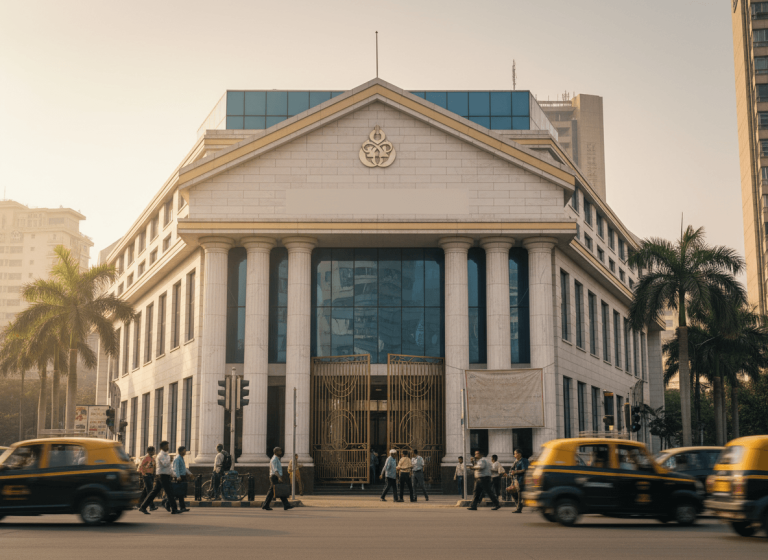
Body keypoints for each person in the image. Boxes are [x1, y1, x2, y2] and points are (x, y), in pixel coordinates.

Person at [139, 441, 179, 515]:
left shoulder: (166, 455)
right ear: (162, 447)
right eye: (166, 446)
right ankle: (174, 509)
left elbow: (169, 467)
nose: (168, 447)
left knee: (154, 492)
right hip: (162, 476)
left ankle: (143, 507)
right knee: (169, 492)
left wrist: (174, 475)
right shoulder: (161, 455)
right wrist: (170, 459)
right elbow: (165, 464)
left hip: (165, 475)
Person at [262, 447, 294, 511]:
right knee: (274, 491)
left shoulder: (277, 459)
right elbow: (275, 469)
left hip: (275, 476)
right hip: (274, 476)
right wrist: (279, 477)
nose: (281, 452)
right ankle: (266, 505)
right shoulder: (274, 459)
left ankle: (286, 505)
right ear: (276, 452)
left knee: (279, 490)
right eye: (280, 451)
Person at [507, 448, 529, 513]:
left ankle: (519, 508)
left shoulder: (524, 461)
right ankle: (518, 505)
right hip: (515, 480)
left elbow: (524, 469)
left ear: (519, 454)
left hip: (521, 479)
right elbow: (511, 469)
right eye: (514, 454)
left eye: (515, 453)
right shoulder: (515, 461)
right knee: (512, 491)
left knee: (519, 494)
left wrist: (515, 472)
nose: (514, 455)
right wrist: (511, 473)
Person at [171, 446, 192, 513]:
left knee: (181, 493)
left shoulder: (181, 458)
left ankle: (183, 507)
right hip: (179, 477)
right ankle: (167, 502)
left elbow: (184, 468)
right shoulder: (177, 458)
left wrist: (189, 473)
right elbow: (176, 468)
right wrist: (178, 476)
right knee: (178, 493)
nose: (185, 452)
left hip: (183, 476)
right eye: (184, 451)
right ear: (180, 451)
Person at [137, 446, 157, 511]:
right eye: (153, 451)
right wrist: (144, 474)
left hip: (151, 475)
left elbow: (153, 466)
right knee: (150, 491)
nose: (154, 452)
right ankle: (151, 506)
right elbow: (141, 466)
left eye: (154, 450)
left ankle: (139, 504)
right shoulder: (146, 458)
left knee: (146, 491)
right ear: (149, 451)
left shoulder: (152, 458)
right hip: (147, 475)